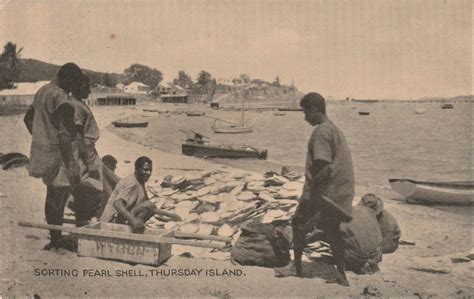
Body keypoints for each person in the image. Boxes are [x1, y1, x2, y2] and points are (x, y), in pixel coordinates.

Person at [291, 92, 355, 286]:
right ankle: (342, 275)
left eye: (305, 112)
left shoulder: (321, 132)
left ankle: (296, 267)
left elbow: (324, 166)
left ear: (314, 109)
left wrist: (309, 193)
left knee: (297, 223)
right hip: (338, 194)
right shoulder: (333, 129)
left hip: (324, 193)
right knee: (332, 230)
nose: (304, 117)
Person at [24, 62, 83, 250]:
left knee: (52, 195)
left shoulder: (42, 91)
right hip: (61, 154)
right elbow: (65, 134)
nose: (75, 88)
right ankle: (56, 241)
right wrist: (72, 163)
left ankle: (55, 237)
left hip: (45, 152)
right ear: (66, 78)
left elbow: (28, 119)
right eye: (74, 83)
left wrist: (42, 136)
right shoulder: (61, 97)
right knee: (59, 195)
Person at [100, 156, 180, 233]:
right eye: (145, 170)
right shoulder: (131, 183)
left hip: (123, 217)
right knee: (146, 206)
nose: (148, 173)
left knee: (148, 206)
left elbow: (151, 207)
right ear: (137, 169)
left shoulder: (140, 180)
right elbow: (117, 204)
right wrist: (133, 219)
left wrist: (169, 215)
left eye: (150, 170)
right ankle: (132, 231)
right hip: (111, 223)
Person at [340, 205, 383, 274]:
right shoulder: (370, 212)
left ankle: (356, 264)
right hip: (376, 255)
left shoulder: (345, 215)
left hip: (359, 258)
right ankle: (369, 263)